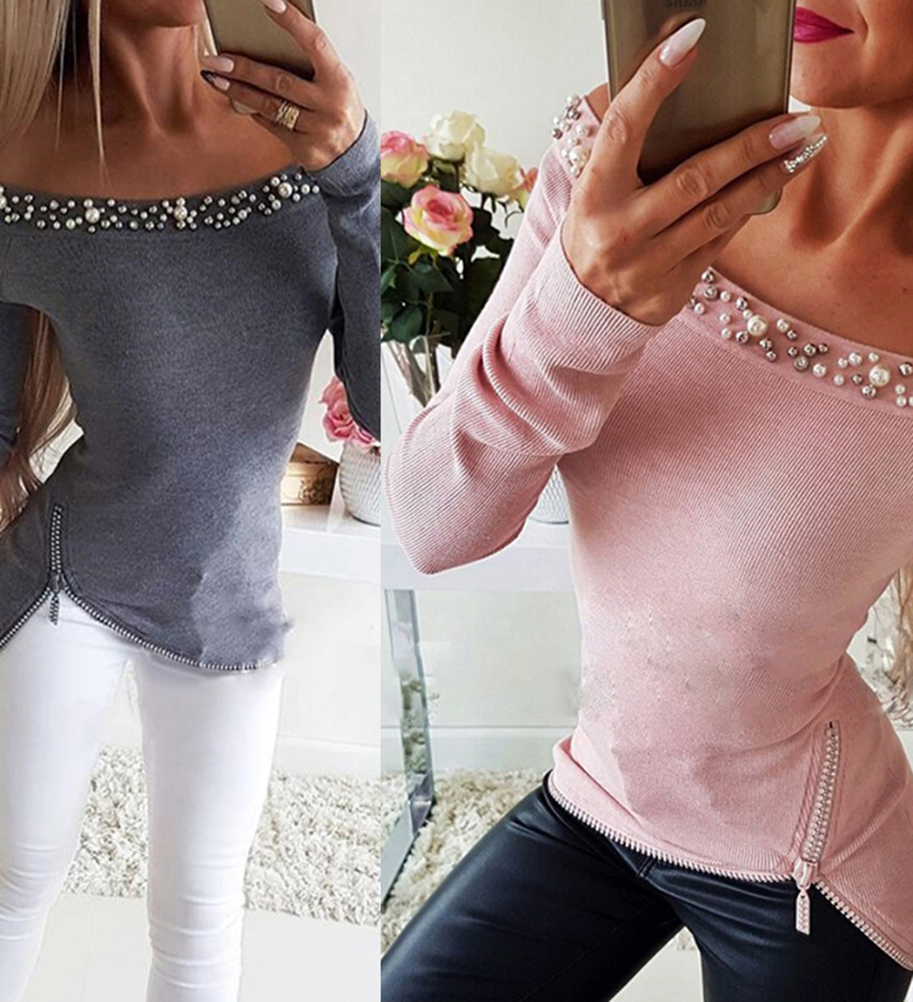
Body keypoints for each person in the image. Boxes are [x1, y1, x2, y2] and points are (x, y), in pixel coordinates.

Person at [382, 12, 913, 1002]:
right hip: (601, 792)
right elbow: (432, 523)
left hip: (812, 873)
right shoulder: (624, 159)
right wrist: (583, 303)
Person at [0, 1, 379, 1000]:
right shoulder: (14, 170)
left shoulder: (310, 141)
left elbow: (380, 405)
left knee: (201, 913)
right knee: (20, 871)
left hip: (231, 597)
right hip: (63, 589)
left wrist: (354, 175)